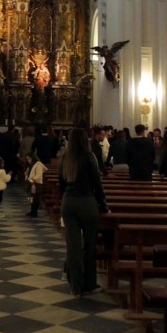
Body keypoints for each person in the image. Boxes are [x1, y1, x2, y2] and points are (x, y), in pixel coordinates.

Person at [59, 127, 109, 296]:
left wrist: (65, 199)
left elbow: (61, 183)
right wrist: (103, 205)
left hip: (68, 202)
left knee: (73, 246)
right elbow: (97, 184)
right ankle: (89, 284)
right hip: (86, 202)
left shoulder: (65, 158)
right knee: (89, 245)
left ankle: (75, 285)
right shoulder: (89, 157)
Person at [26, 150, 45, 217]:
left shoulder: (38, 164)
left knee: (35, 198)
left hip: (36, 184)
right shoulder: (31, 165)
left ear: (33, 158)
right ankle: (32, 210)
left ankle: (35, 212)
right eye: (27, 159)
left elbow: (39, 174)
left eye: (29, 159)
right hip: (31, 183)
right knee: (31, 198)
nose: (28, 160)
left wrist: (33, 179)